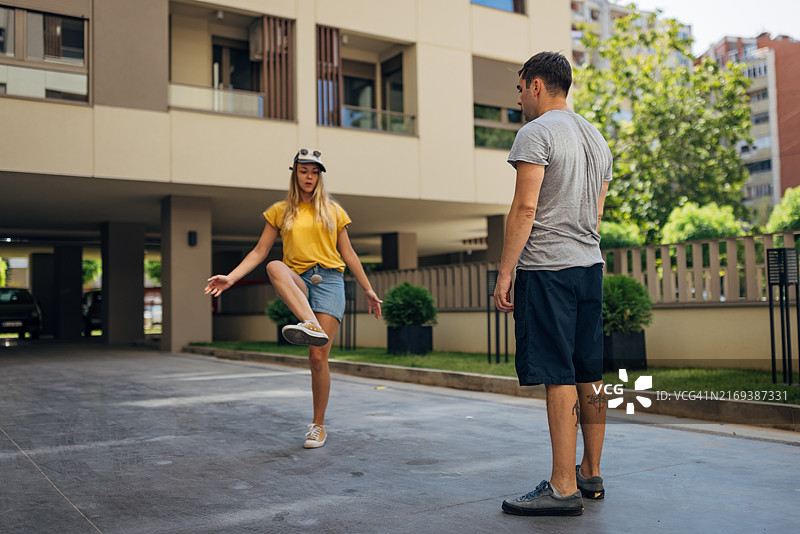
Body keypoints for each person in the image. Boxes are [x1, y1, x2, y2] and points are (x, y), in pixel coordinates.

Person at [493, 52, 611, 516]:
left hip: (548, 270)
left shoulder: (535, 133)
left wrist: (506, 271)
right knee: (589, 372)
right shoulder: (596, 138)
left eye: (521, 88)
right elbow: (595, 213)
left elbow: (525, 209)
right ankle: (590, 472)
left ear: (537, 85)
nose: (519, 98)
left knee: (558, 374)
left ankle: (562, 487)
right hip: (589, 266)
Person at [204, 149, 382, 449]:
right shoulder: (280, 210)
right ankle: (310, 323)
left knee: (317, 358)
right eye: (304, 171)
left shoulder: (333, 211)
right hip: (298, 280)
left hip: (329, 281)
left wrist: (367, 288)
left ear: (319, 175)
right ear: (295, 173)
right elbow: (260, 251)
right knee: (274, 265)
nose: (309, 177)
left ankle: (318, 426)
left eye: (314, 172)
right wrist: (232, 277)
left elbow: (348, 253)